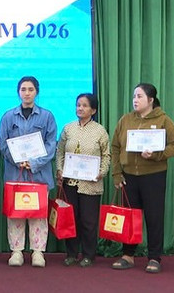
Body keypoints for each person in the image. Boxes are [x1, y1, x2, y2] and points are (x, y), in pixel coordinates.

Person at [110, 82, 174, 274]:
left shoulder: (164, 120)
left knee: (154, 217)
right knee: (130, 217)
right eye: (134, 96)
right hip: (129, 177)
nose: (135, 100)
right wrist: (117, 173)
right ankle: (128, 255)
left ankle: (154, 257)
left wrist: (157, 155)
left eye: (139, 96)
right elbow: (115, 147)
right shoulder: (125, 120)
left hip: (154, 176)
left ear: (150, 100)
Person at [0, 76, 57, 268]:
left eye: (30, 89)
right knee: (16, 213)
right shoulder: (8, 116)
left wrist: (33, 162)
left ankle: (38, 252)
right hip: (15, 174)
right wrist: (18, 160)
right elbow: (3, 143)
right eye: (23, 89)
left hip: (38, 174)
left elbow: (51, 145)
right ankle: (16, 252)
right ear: (18, 92)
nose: (27, 93)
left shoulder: (47, 116)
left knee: (38, 213)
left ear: (36, 92)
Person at [55, 93, 110, 267]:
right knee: (71, 219)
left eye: (85, 106)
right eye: (78, 105)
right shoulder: (68, 128)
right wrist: (59, 170)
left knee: (89, 221)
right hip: (70, 182)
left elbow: (106, 155)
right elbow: (60, 151)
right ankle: (71, 253)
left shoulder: (100, 130)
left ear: (93, 110)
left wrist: (101, 172)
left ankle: (88, 255)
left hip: (90, 183)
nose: (80, 108)